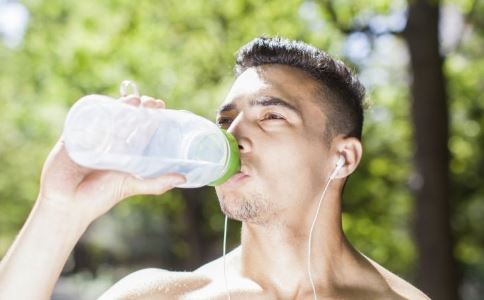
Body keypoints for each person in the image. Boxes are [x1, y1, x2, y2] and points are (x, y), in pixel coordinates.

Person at [0, 36, 429, 299]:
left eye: (272, 116)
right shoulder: (159, 297)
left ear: (343, 158)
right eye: (225, 120)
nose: (233, 133)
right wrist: (59, 207)